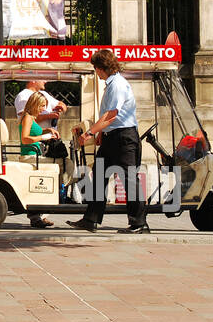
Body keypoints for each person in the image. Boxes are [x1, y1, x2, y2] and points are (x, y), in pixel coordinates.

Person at [69, 49, 148, 233]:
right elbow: (110, 117)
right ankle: (91, 219)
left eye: (95, 68)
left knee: (128, 179)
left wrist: (90, 132)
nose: (95, 72)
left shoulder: (117, 85)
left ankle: (139, 223)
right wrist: (101, 133)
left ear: (101, 68)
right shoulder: (111, 84)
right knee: (99, 177)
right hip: (112, 137)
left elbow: (112, 114)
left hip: (124, 138)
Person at [18, 91, 58, 229]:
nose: (43, 109)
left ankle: (40, 215)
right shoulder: (27, 117)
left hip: (34, 155)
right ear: (34, 104)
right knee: (64, 165)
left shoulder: (31, 118)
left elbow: (35, 132)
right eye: (41, 106)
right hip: (30, 156)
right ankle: (41, 213)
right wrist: (44, 137)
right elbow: (25, 138)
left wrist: (47, 130)